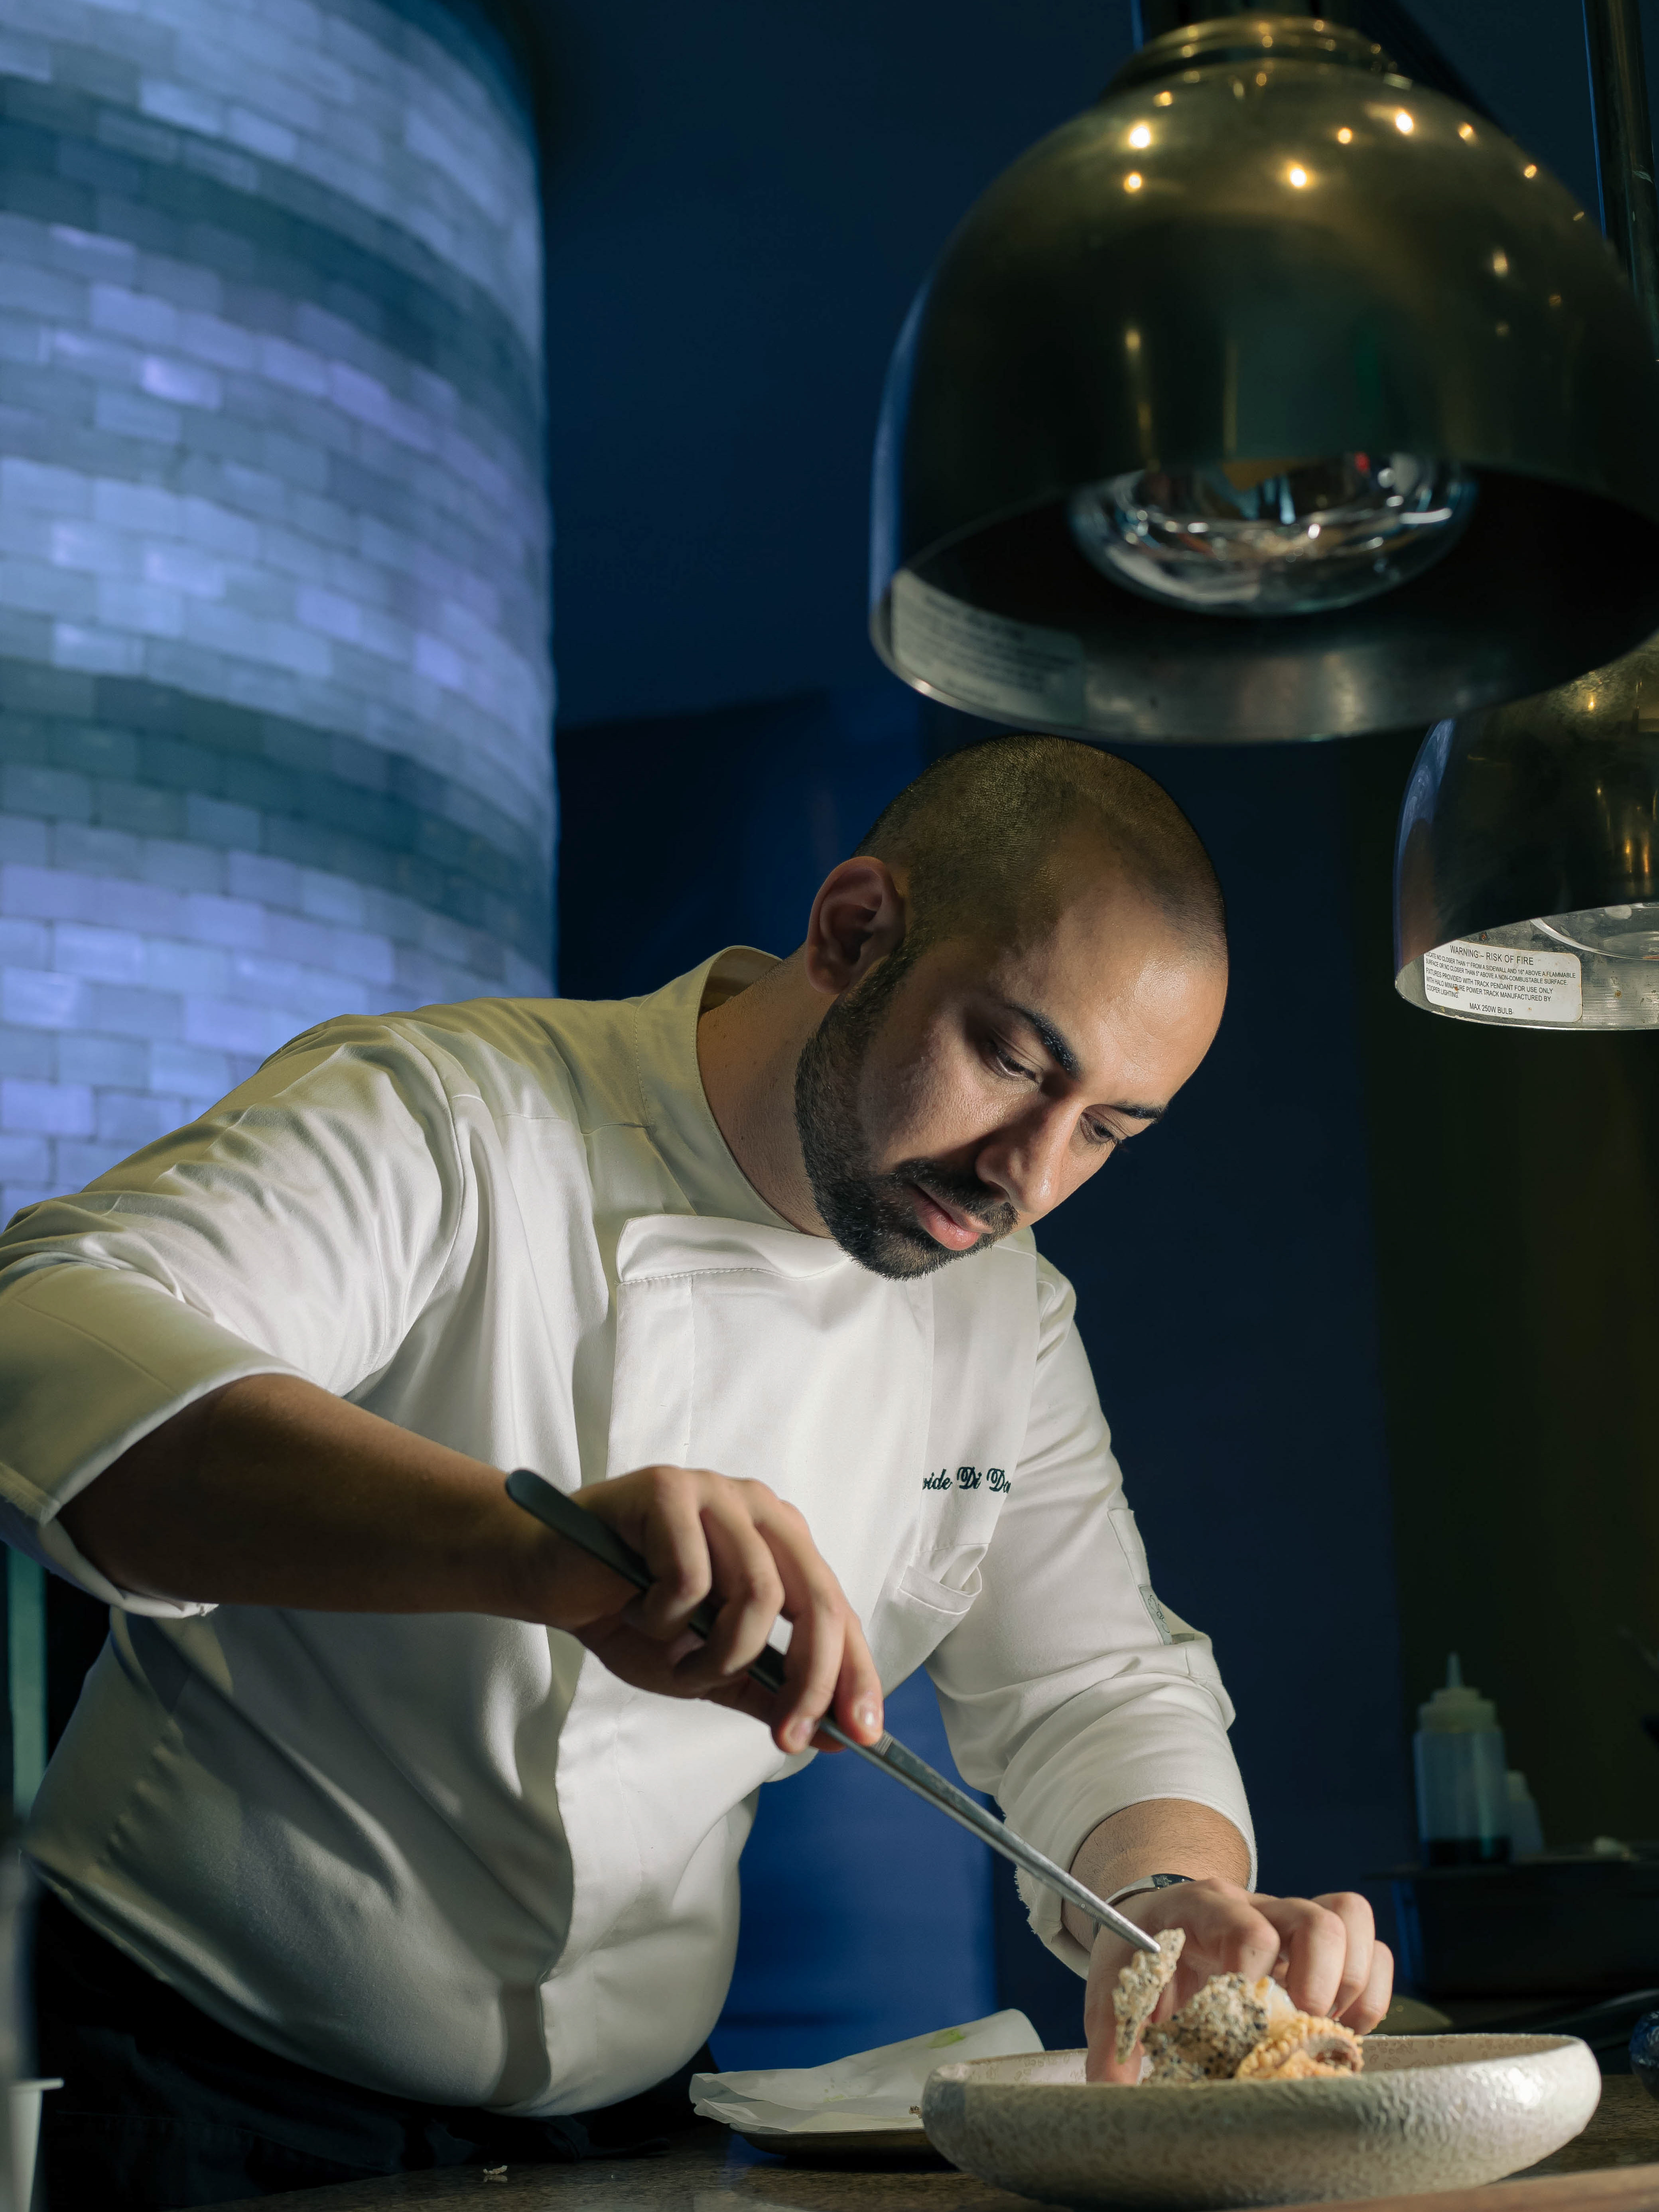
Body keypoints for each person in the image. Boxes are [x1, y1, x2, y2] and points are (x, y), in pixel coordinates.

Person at [0, 735, 1392, 2206]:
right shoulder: (457, 1113)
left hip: (628, 2127)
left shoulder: (1004, 1311)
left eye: (1104, 1128)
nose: (1029, 1175)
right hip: (198, 2084)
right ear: (853, 931)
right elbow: (46, 1334)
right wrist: (530, 1551)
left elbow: (1091, 1687)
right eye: (1011, 1061)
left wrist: (1168, 1900)